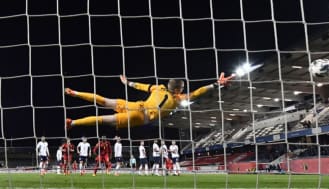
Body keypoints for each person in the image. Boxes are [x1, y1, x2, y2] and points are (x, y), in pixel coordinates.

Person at [65, 73, 234, 129]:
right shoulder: (177, 98)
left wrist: (127, 82)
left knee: (104, 101)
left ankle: (76, 92)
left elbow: (141, 86)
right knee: (103, 120)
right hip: (140, 117)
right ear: (179, 89)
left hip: (136, 105)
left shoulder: (158, 87)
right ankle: (72, 123)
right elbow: (198, 93)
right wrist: (216, 84)